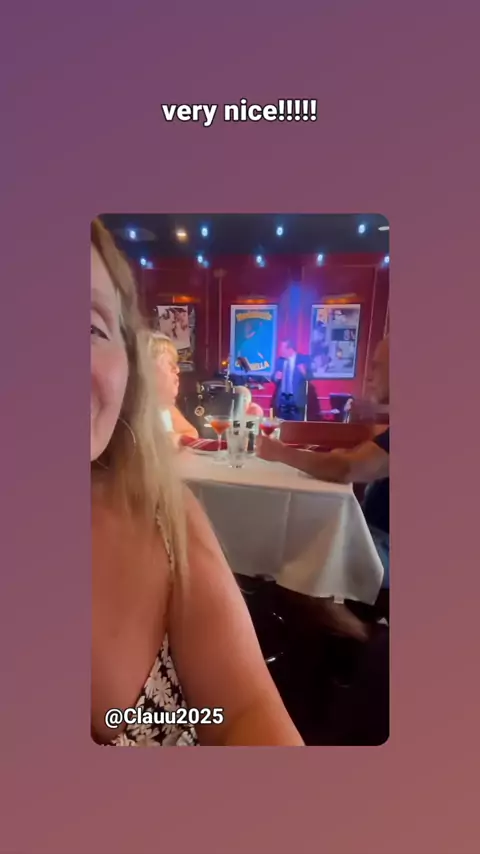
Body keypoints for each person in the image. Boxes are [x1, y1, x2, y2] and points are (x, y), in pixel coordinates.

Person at [91, 219, 303, 747]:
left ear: (127, 367)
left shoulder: (166, 517)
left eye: (89, 328)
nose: (177, 379)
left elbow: (245, 713)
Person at [258, 337, 390, 586]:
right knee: (297, 537)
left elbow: (346, 469)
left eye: (377, 367)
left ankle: (346, 619)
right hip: (373, 531)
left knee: (297, 553)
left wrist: (280, 453)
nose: (370, 375)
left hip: (385, 545)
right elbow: (353, 457)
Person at [148, 332, 198, 445]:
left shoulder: (166, 408)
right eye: (170, 363)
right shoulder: (130, 416)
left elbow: (192, 433)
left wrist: (175, 439)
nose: (177, 370)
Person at [272, 339, 310, 421]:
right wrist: (276, 376)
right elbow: (273, 378)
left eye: (282, 349)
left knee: (296, 426)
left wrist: (304, 372)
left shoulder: (303, 359)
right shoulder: (280, 361)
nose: (280, 351)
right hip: (282, 400)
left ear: (290, 349)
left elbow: (310, 377)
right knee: (282, 425)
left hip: (296, 401)